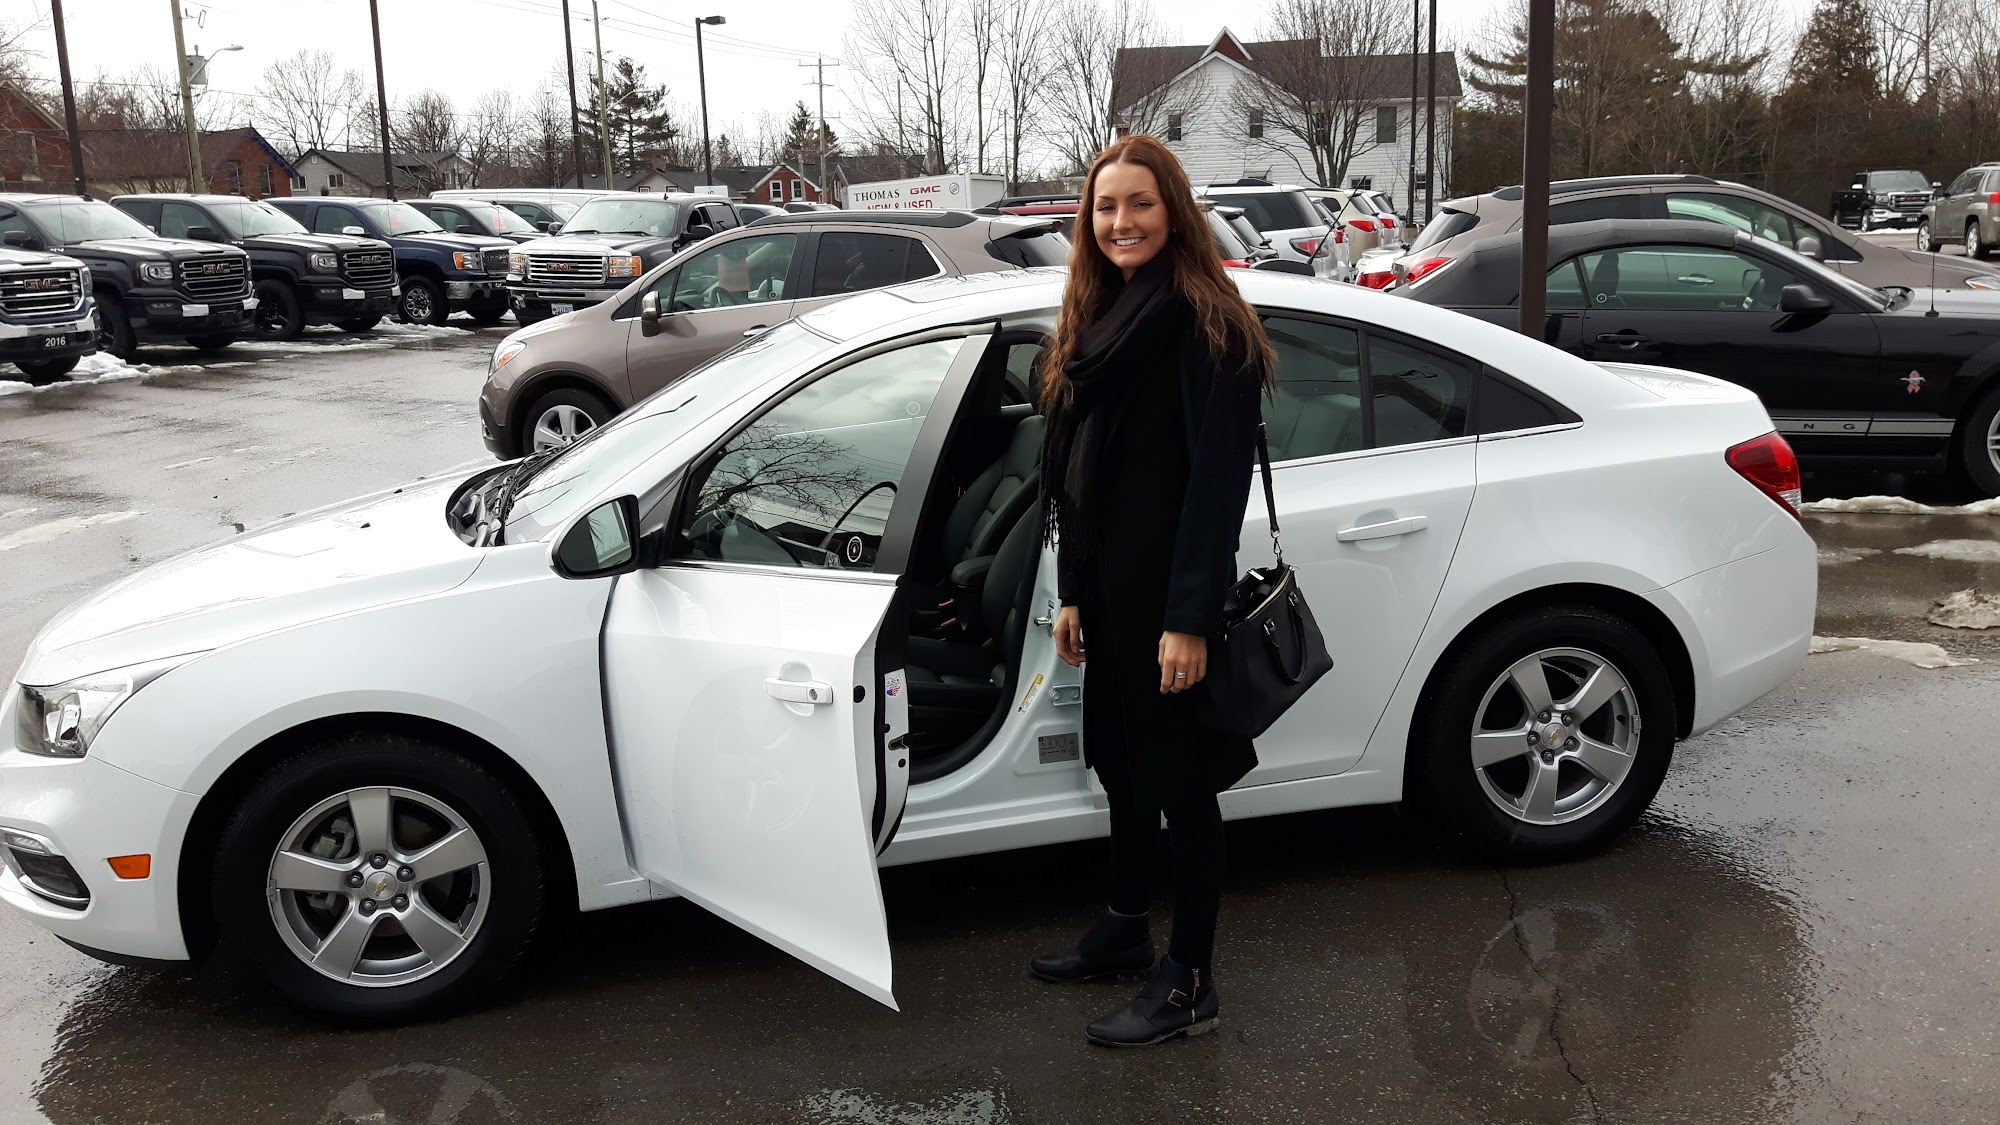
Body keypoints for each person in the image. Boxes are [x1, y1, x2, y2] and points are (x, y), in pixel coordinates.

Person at [1029, 133, 1275, 1048]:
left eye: (1140, 202)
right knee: (1122, 767)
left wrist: (1188, 620)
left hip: (1168, 602)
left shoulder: (1209, 326)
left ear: (1174, 210)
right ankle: (1127, 925)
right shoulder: (1101, 320)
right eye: (1105, 206)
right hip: (1110, 593)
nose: (1121, 221)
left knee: (1182, 785)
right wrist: (1072, 591)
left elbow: (1215, 489)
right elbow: (1076, 477)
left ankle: (1190, 981)